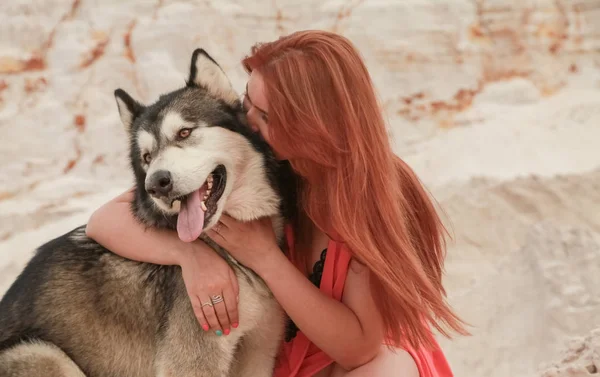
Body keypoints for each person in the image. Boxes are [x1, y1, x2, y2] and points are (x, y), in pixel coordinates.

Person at [85, 30, 468, 377]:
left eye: (264, 116)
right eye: (247, 101)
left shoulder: (373, 194)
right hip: (286, 365)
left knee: (389, 369)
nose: (246, 121)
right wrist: (193, 258)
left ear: (311, 124)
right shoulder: (265, 161)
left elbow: (359, 349)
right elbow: (104, 221)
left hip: (358, 364)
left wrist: (265, 257)